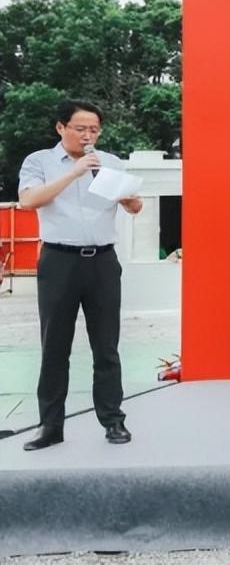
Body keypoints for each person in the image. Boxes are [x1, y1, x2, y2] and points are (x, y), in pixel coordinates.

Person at [18, 99, 142, 450]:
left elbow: (135, 205)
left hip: (102, 261)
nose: (88, 136)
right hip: (59, 260)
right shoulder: (39, 161)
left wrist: (129, 200)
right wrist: (74, 172)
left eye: (94, 130)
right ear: (61, 127)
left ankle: (113, 420)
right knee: (55, 346)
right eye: (81, 129)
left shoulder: (110, 163)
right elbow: (29, 200)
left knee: (106, 345)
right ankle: (50, 426)